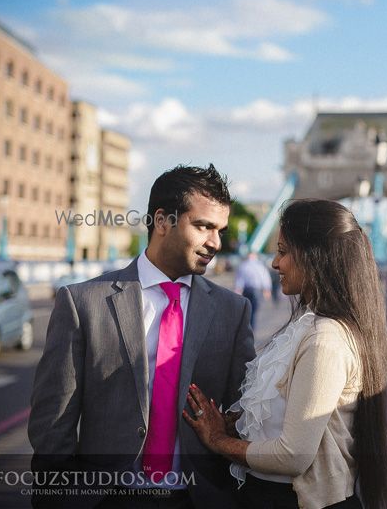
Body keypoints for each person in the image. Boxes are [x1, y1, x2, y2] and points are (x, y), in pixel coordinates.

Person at [29, 164, 256, 509]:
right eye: (203, 226)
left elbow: (244, 412)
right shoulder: (82, 302)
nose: (216, 243)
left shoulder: (232, 310)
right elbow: (53, 420)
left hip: (199, 497)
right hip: (106, 497)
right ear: (163, 221)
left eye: (220, 230)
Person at [183, 199, 387, 509]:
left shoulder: (325, 339)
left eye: (283, 252)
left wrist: (219, 441)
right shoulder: (307, 326)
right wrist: (236, 425)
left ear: (315, 256)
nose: (275, 263)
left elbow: (293, 455)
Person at [233, 252, 272, 330]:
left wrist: (238, 289)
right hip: (256, 290)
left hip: (246, 290)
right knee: (253, 311)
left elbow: (240, 279)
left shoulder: (243, 265)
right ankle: (250, 328)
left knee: (246, 310)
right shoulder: (260, 266)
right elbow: (264, 278)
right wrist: (267, 289)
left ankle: (247, 327)